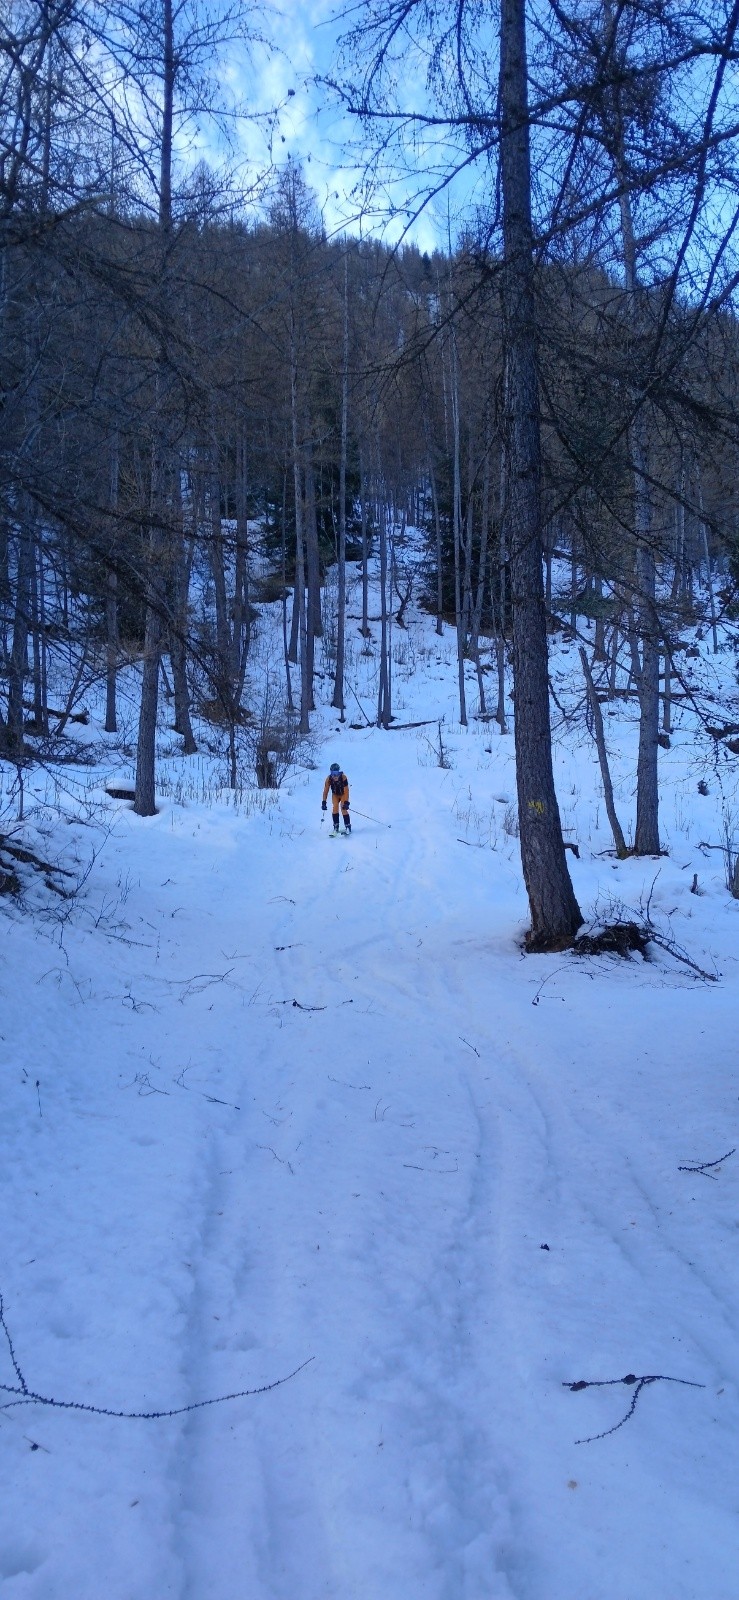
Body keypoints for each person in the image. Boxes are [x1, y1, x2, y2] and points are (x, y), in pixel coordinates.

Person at [322, 762, 351, 833]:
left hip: (343, 794)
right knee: (335, 807)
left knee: (343, 808)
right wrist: (324, 802)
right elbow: (326, 791)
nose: (335, 776)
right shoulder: (329, 779)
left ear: (339, 772)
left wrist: (346, 802)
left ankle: (348, 826)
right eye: (333, 773)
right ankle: (336, 826)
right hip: (335, 795)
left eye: (336, 773)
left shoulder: (343, 777)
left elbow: (346, 790)